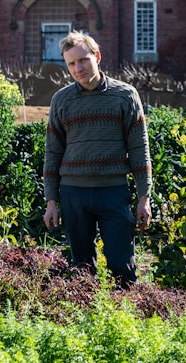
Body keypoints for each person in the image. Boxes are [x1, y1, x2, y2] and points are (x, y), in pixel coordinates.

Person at [43, 30, 152, 286]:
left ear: (97, 56)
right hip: (74, 193)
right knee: (81, 269)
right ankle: (87, 320)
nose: (78, 68)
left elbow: (139, 148)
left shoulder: (125, 95)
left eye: (83, 60)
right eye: (71, 63)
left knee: (122, 265)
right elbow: (53, 152)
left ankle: (127, 319)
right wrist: (51, 201)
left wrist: (144, 197)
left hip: (113, 191)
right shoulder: (61, 100)